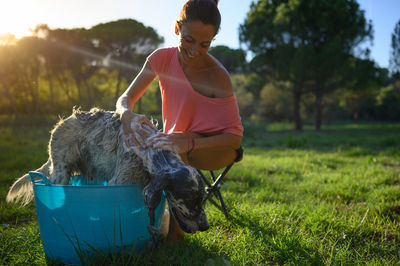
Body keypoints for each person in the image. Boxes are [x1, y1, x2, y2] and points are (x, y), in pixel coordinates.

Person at [116, 0, 243, 242]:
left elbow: (234, 138)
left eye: (204, 44)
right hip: (175, 141)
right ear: (177, 29)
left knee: (176, 153)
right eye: (188, 40)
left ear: (212, 41)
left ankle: (175, 238)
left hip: (215, 147)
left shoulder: (217, 76)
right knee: (140, 149)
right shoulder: (161, 60)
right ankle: (132, 223)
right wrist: (125, 113)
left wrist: (189, 143)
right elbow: (126, 97)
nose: (194, 50)